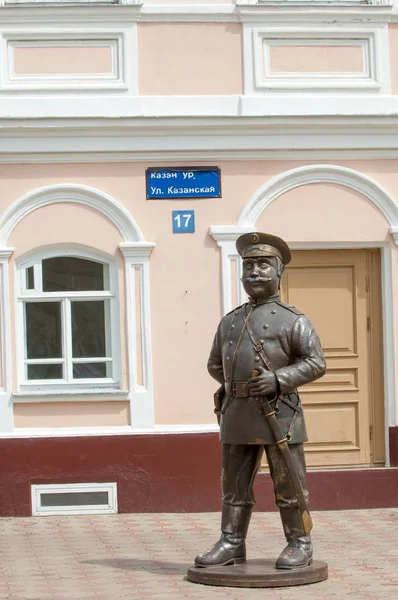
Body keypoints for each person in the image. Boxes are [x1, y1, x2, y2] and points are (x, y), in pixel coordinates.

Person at [194, 232, 326, 570]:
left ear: (279, 272)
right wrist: (234, 388)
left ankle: (300, 542)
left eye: (263, 265)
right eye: (249, 265)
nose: (254, 271)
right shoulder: (230, 321)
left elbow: (315, 362)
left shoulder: (293, 319)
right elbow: (214, 363)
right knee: (234, 486)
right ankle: (231, 542)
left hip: (279, 415)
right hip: (238, 413)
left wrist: (278, 379)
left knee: (289, 485)